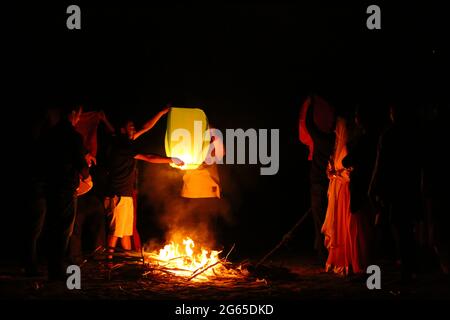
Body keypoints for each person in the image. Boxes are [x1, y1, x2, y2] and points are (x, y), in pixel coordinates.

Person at [105, 107, 183, 261]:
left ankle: (128, 262)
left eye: (133, 126)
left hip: (125, 195)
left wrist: (161, 113)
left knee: (126, 233)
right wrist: (171, 160)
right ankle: (107, 265)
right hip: (118, 195)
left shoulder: (125, 140)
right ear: (122, 130)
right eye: (130, 127)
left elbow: (145, 128)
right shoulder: (122, 145)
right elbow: (148, 157)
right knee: (115, 232)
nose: (134, 129)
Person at [370, 104, 422, 282]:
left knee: (400, 227)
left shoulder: (390, 134)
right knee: (406, 227)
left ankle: (407, 267)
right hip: (410, 186)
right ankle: (410, 264)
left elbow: (381, 162)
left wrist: (374, 186)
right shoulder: (414, 133)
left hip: (396, 188)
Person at [42, 104, 90, 280]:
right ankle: (57, 270)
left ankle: (52, 265)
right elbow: (79, 162)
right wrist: (87, 177)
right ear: (73, 113)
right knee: (63, 228)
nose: (79, 118)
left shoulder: (50, 133)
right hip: (66, 187)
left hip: (50, 185)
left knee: (52, 225)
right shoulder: (73, 136)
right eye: (79, 114)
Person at [304, 95, 336, 263]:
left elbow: (309, 125)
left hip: (319, 184)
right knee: (332, 221)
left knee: (320, 220)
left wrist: (311, 105)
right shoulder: (336, 141)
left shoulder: (321, 139)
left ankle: (324, 256)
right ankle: (332, 254)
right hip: (333, 185)